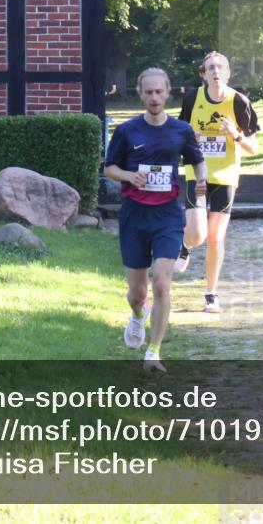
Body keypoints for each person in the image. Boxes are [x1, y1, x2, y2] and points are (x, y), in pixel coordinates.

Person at [104, 68, 207, 372]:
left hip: (167, 217)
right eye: (148, 92)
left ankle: (153, 352)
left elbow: (197, 160)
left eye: (159, 92)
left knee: (161, 282)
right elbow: (109, 167)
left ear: (167, 93)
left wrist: (201, 180)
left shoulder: (181, 130)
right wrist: (128, 176)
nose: (154, 97)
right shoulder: (127, 131)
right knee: (137, 294)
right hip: (135, 216)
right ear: (140, 94)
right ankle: (139, 315)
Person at [173, 51, 260, 313]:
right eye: (210, 68)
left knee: (215, 237)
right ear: (203, 74)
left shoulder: (239, 102)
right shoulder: (192, 98)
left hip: (225, 175)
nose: (216, 71)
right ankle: (185, 243)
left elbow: (253, 147)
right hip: (197, 172)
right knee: (197, 234)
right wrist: (191, 137)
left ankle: (211, 293)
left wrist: (235, 134)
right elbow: (180, 134)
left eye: (220, 67)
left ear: (228, 73)